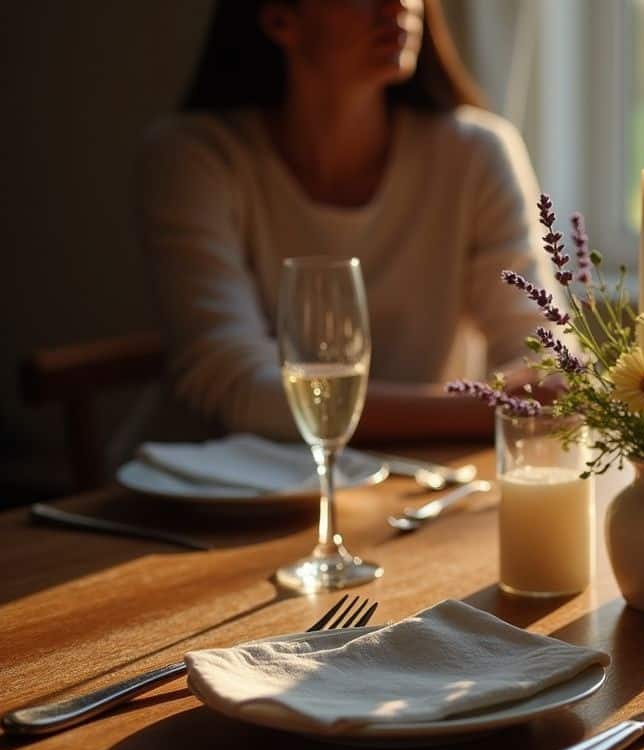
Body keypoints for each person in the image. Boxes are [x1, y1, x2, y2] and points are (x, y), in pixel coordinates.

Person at [138, 0, 552, 442]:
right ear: (280, 18)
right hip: (210, 477)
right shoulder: (194, 158)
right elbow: (238, 387)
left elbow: (546, 359)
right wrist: (484, 409)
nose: (399, 4)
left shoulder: (476, 153)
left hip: (414, 477)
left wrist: (502, 404)